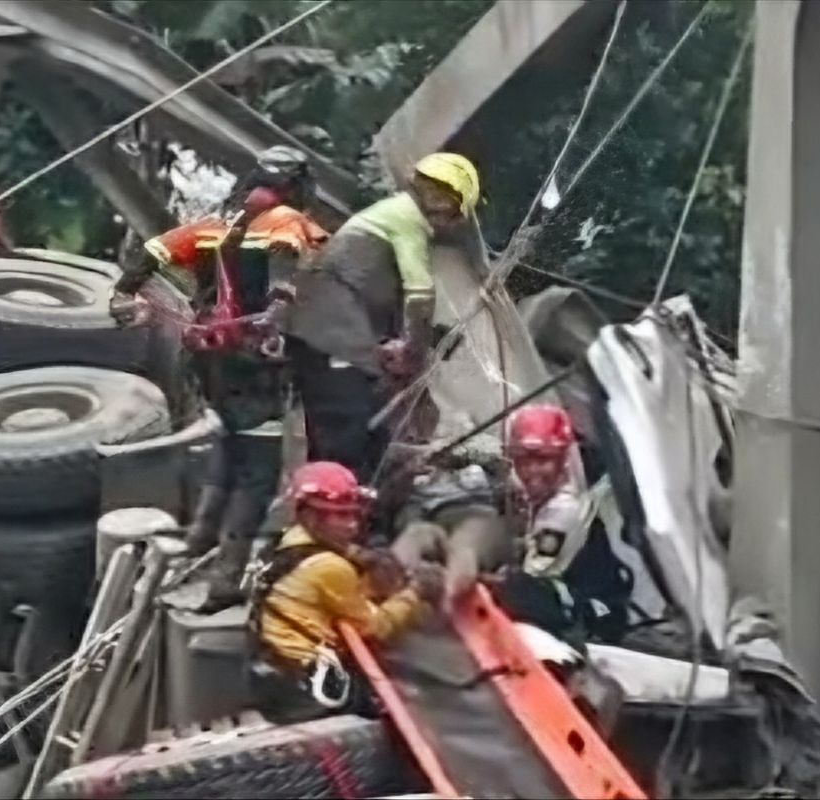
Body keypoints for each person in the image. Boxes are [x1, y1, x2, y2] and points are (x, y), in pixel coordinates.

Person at [111, 145, 329, 606]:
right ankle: (226, 578)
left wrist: (123, 293)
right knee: (259, 471)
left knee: (229, 446)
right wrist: (276, 308)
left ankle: (201, 537)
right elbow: (285, 266)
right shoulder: (285, 222)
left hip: (212, 361)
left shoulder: (216, 225)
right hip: (255, 363)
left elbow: (154, 251)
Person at [285, 152, 482, 481]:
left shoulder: (387, 218)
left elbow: (379, 297)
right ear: (444, 201)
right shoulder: (407, 221)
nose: (455, 223)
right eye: (457, 212)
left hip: (329, 331)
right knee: (347, 430)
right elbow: (420, 295)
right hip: (330, 334)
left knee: (366, 428)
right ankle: (336, 504)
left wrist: (428, 336)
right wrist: (414, 353)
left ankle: (346, 499)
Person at [392, 404, 632, 646]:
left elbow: (530, 577)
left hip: (575, 604)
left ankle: (442, 603)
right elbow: (484, 451)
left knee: (497, 567)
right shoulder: (523, 483)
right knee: (424, 533)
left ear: (562, 460)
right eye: (523, 460)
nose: (531, 470)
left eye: (543, 460)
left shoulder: (564, 513)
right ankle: (388, 585)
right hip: (529, 570)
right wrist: (435, 454)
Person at [249, 461, 442, 723]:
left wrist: (363, 557)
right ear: (309, 516)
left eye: (353, 515)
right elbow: (377, 627)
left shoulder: (284, 543)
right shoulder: (330, 567)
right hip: (310, 692)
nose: (352, 526)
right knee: (409, 703)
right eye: (339, 516)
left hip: (269, 676)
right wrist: (416, 592)